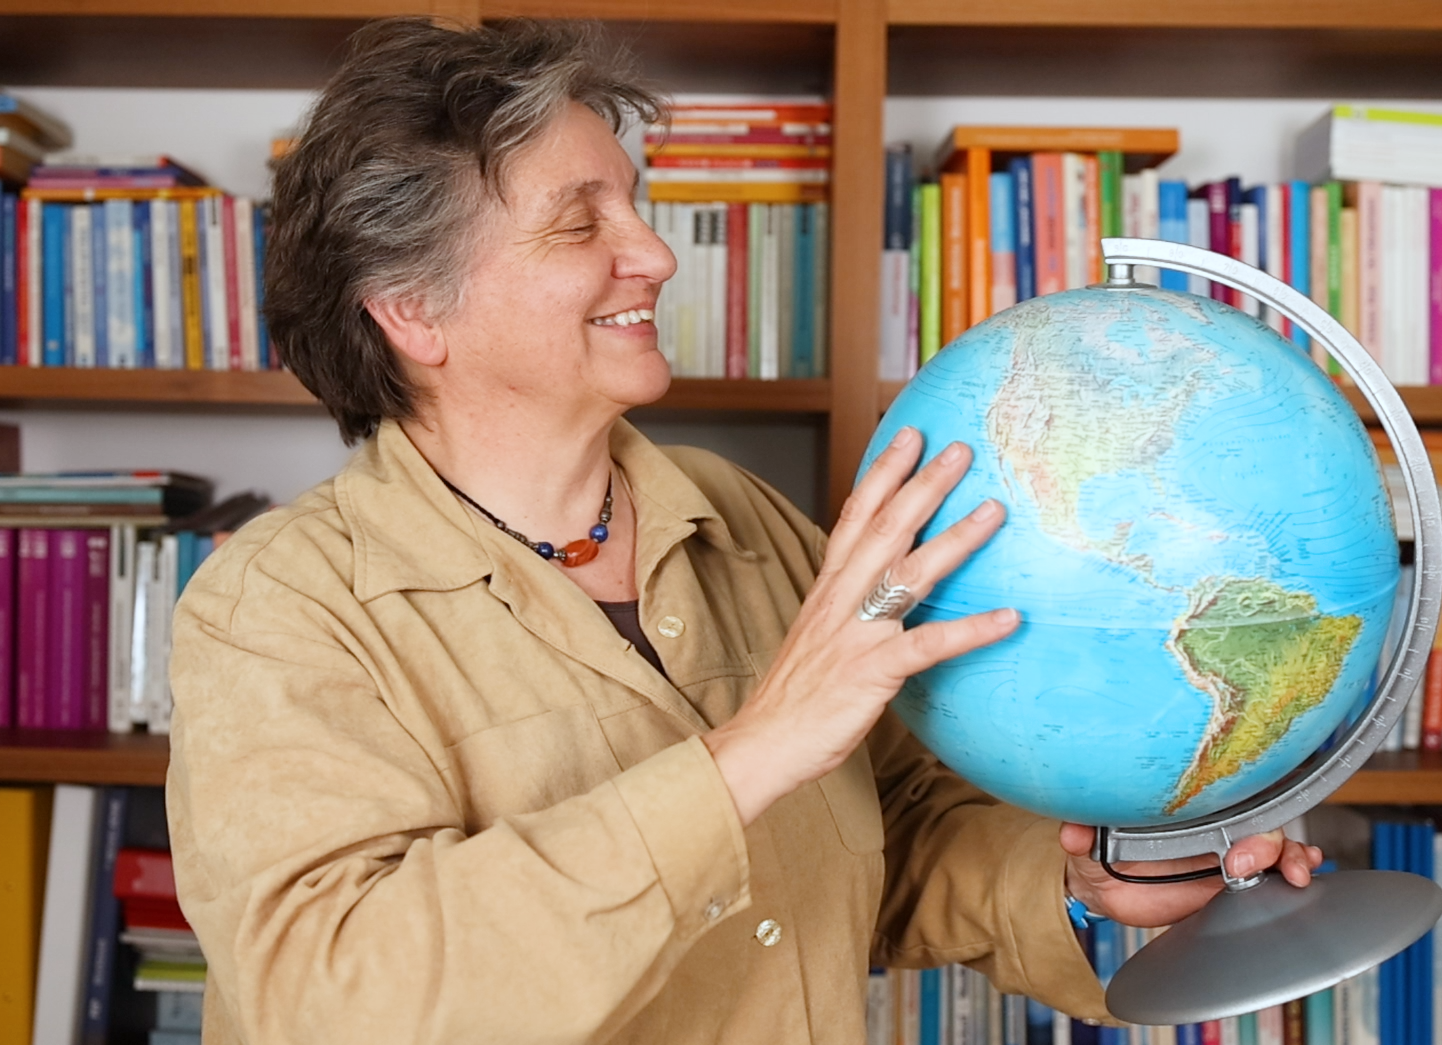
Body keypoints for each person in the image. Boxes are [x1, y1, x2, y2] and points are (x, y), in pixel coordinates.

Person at [166, 17, 1321, 1045]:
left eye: (635, 201)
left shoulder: (737, 516)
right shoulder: (275, 609)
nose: (655, 254)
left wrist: (1091, 882)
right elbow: (333, 995)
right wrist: (756, 745)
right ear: (414, 311)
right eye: (580, 223)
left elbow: (894, 841)